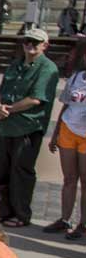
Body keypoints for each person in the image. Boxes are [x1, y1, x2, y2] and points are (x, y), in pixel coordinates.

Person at [0, 27, 60, 228]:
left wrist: (8, 110)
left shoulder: (47, 68)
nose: (30, 45)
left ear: (45, 45)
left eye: (35, 42)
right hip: (5, 126)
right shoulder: (15, 64)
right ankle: (2, 211)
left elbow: (36, 99)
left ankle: (21, 214)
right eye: (27, 41)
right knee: (0, 170)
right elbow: (1, 91)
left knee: (21, 172)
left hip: (27, 127)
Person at [45, 39, 86, 239]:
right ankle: (64, 219)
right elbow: (66, 105)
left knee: (85, 182)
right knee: (69, 179)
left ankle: (83, 224)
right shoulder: (76, 77)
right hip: (69, 130)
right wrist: (55, 134)